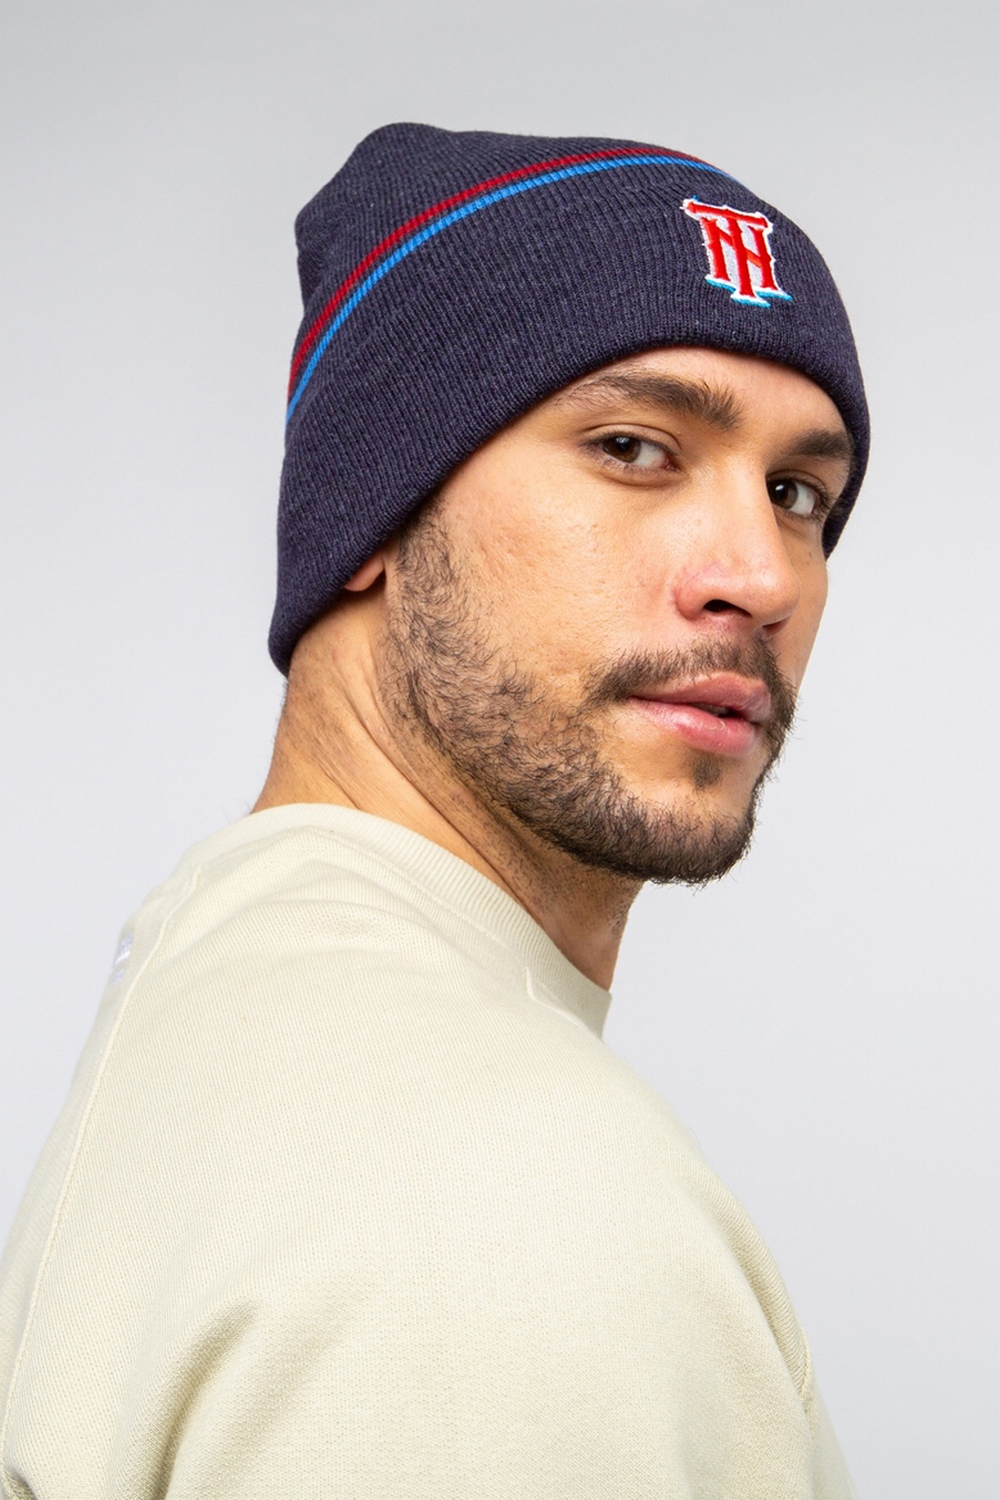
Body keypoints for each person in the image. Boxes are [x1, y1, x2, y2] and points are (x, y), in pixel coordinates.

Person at [0, 124, 868, 1498]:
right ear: (372, 515)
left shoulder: (228, 989)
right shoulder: (504, 1209)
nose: (759, 574)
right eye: (634, 447)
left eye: (799, 492)